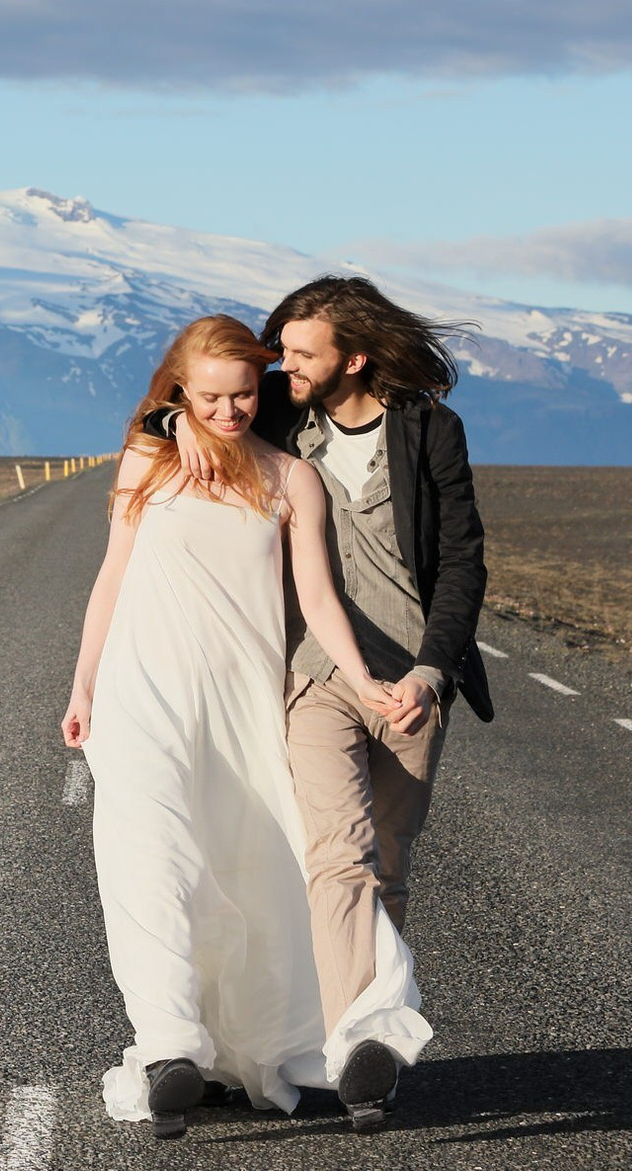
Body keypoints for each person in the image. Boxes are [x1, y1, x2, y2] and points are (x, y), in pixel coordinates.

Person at [64, 314, 432, 1139]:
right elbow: (111, 575)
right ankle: (167, 1048)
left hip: (243, 699)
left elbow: (319, 597)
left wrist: (363, 679)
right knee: (150, 858)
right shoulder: (149, 457)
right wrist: (84, 684)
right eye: (208, 399)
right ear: (179, 392)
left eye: (242, 395)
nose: (228, 412)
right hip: (142, 692)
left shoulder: (292, 479)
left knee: (257, 866)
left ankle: (324, 1036)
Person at [151, 277, 490, 1125]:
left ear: (356, 357)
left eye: (301, 353)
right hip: (313, 672)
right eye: (283, 351)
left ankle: (369, 1038)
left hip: (411, 681)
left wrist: (431, 672)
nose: (283, 366)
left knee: (388, 866)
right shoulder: (279, 410)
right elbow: (187, 402)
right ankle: (354, 1047)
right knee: (337, 851)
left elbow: (462, 563)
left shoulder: (430, 431)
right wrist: (178, 424)